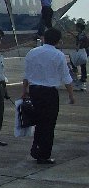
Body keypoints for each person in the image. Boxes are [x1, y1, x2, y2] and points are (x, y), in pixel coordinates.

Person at [22, 27, 75, 164]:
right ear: (58, 41)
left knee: (38, 122)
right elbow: (66, 77)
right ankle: (43, 154)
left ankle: (36, 149)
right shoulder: (59, 55)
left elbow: (27, 75)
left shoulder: (32, 52)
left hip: (34, 91)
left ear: (44, 38)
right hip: (49, 93)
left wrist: (24, 90)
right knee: (48, 124)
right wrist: (71, 95)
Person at [72, 20, 88, 91]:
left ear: (79, 28)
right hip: (84, 50)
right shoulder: (81, 34)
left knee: (79, 62)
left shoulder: (81, 34)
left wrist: (78, 47)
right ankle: (83, 77)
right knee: (82, 64)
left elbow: (80, 40)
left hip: (82, 50)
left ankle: (81, 76)